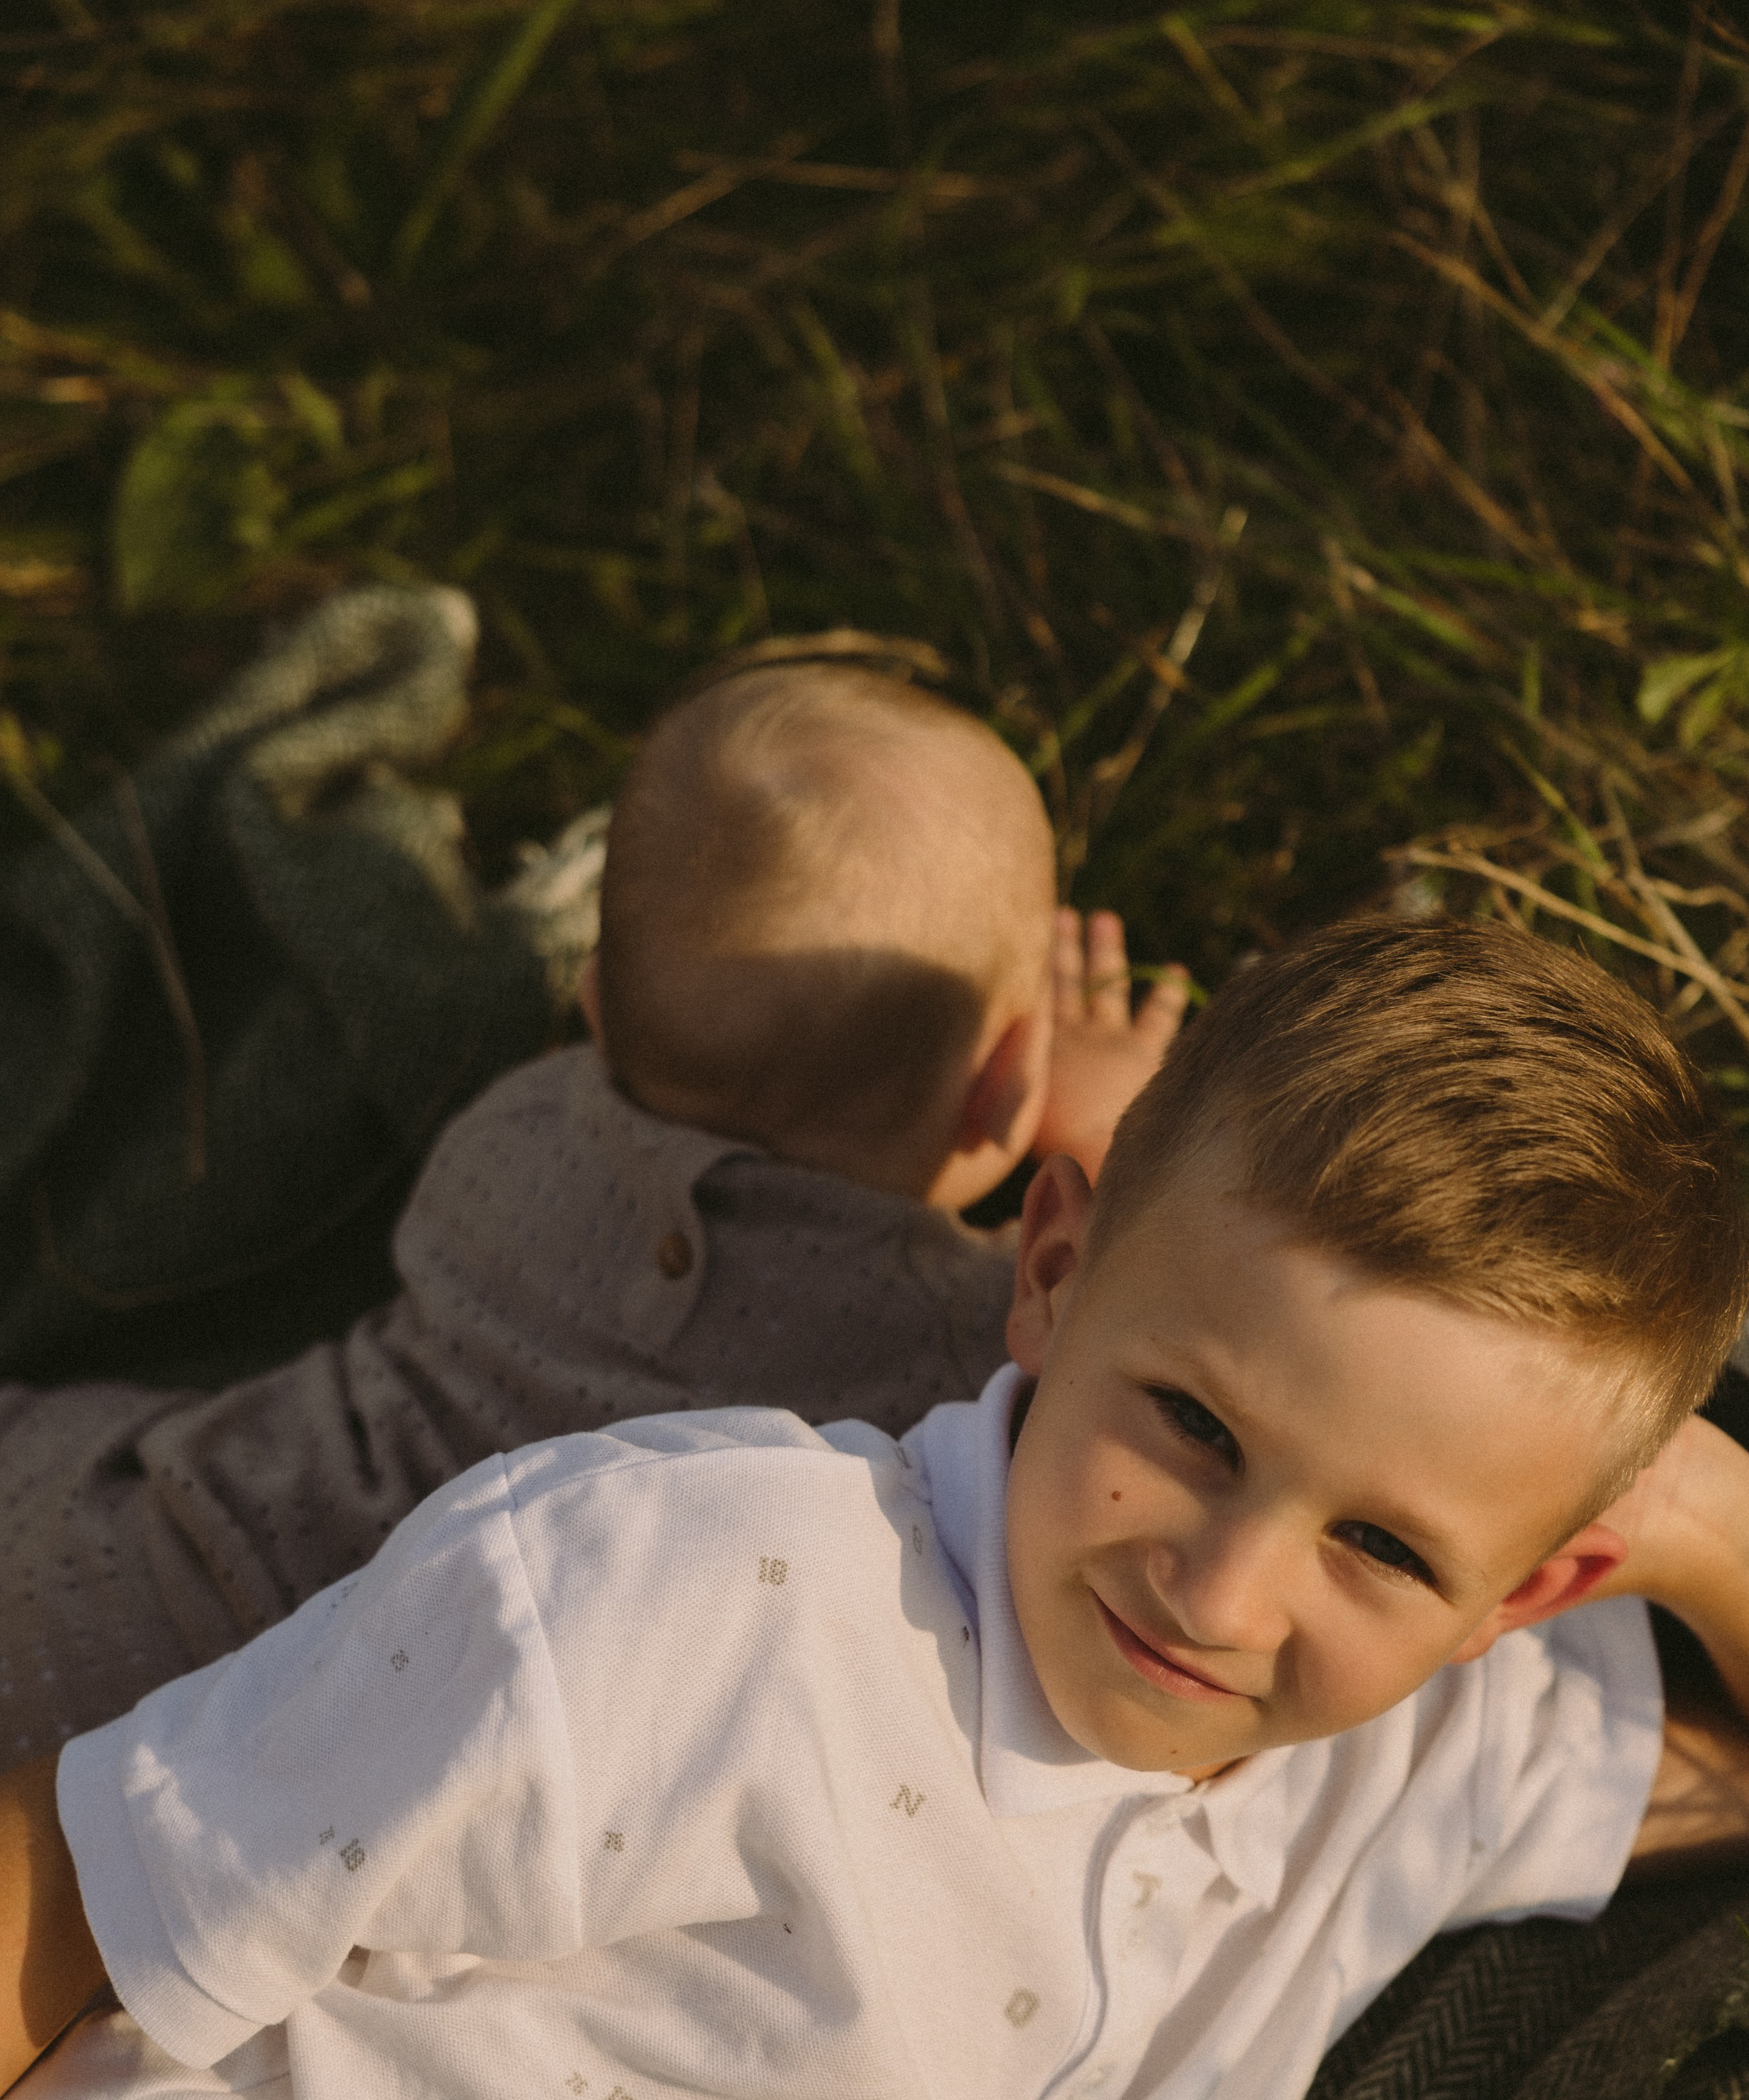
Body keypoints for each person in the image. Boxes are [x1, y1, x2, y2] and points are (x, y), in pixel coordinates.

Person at [2, 913, 1749, 2100]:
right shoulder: (698, 1582)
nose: (1220, 1595)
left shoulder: (1416, 1767)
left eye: (1379, 1542)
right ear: (1053, 1271)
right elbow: (75, 1886)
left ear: (1522, 1594)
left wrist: (1696, 1523)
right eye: (1193, 1428)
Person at [0, 660, 1186, 1770]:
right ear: (1006, 1084)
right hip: (248, 1744)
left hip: (97, 1556)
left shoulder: (517, 1133)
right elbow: (1082, 1338)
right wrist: (1106, 1150)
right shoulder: (946, 1340)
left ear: (589, 1007)